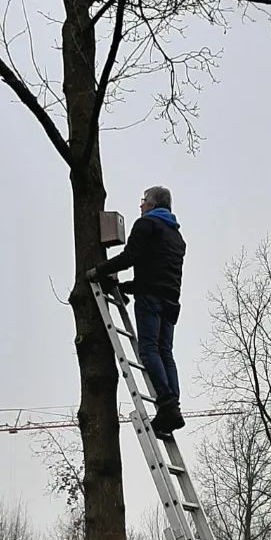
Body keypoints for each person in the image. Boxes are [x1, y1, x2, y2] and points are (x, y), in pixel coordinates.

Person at [87, 186, 186, 435]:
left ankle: (166, 403)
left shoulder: (146, 225)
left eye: (143, 201)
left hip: (151, 299)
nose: (140, 206)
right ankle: (173, 403)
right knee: (165, 352)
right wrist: (125, 286)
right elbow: (157, 270)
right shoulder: (176, 236)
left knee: (149, 349)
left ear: (152, 205)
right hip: (171, 300)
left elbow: (131, 256)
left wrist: (99, 270)